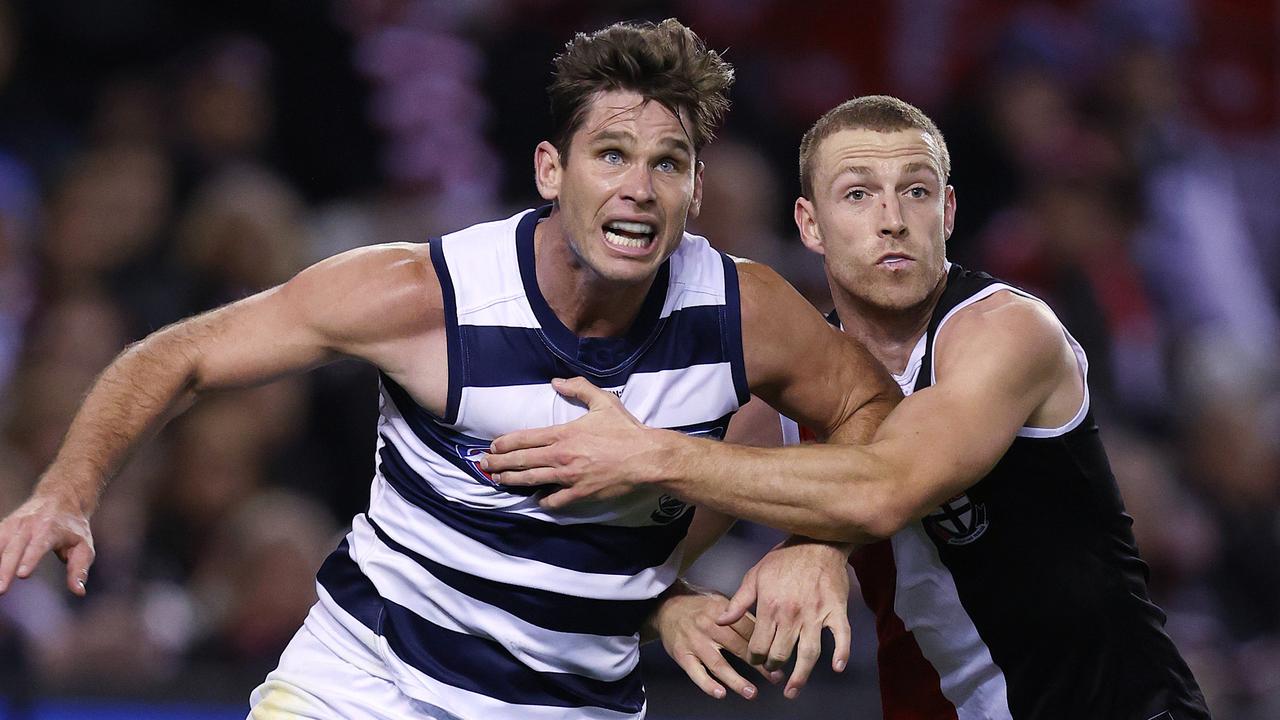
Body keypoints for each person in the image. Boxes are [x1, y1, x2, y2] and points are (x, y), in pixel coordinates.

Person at [0, 20, 900, 719]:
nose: (640, 187)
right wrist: (68, 488)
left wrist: (816, 547)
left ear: (696, 192)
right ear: (552, 169)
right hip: (361, 686)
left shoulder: (742, 310)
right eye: (612, 155)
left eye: (669, 163)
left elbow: (872, 408)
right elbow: (182, 353)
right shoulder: (428, 295)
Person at [485, 95, 1213, 719]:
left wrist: (793, 532)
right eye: (858, 194)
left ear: (949, 211)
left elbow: (883, 488)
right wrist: (668, 606)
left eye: (917, 191)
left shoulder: (1006, 332)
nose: (892, 219)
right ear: (809, 224)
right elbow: (602, 570)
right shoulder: (793, 389)